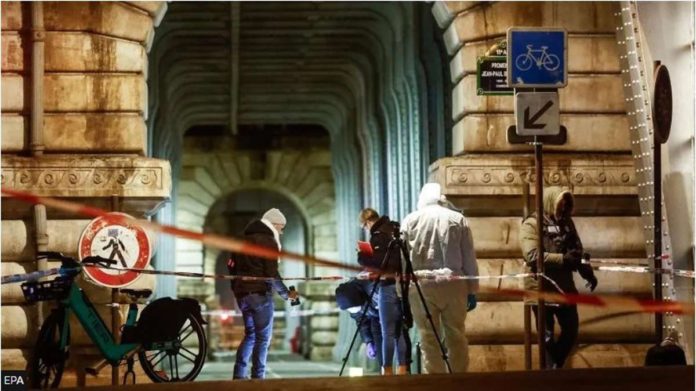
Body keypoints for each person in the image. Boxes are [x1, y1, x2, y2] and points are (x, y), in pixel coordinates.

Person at [400, 183, 478, 374]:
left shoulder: (410, 220)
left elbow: (402, 259)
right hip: (454, 283)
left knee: (428, 337)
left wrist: (400, 290)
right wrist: (472, 289)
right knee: (456, 334)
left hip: (421, 285)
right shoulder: (458, 219)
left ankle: (434, 380)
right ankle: (458, 378)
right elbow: (468, 256)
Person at [519, 186, 598, 369]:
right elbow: (531, 255)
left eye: (566, 206)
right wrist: (562, 259)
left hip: (565, 288)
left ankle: (554, 367)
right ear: (550, 203)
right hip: (541, 289)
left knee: (571, 331)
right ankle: (551, 374)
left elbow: (577, 253)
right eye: (560, 205)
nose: (563, 210)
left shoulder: (567, 223)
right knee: (546, 337)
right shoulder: (532, 224)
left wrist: (588, 273)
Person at [230, 208, 299, 379]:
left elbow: (231, 267)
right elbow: (271, 273)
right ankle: (258, 379)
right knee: (262, 339)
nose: (281, 233)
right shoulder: (268, 241)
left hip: (243, 295)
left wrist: (238, 290)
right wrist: (286, 294)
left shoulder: (241, 239)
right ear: (274, 224)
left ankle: (239, 376)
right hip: (260, 295)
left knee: (250, 335)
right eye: (281, 228)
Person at [358, 208, 409, 375]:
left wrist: (362, 256)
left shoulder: (378, 235)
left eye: (364, 226)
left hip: (387, 287)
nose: (366, 229)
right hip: (402, 286)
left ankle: (386, 371)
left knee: (387, 331)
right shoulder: (393, 230)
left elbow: (379, 264)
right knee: (399, 330)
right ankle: (402, 369)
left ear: (368, 221)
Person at [335, 278, 383, 364]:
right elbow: (361, 322)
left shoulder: (372, 289)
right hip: (375, 317)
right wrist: (368, 341)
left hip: (387, 313)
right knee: (376, 332)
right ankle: (384, 368)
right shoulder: (351, 300)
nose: (354, 310)